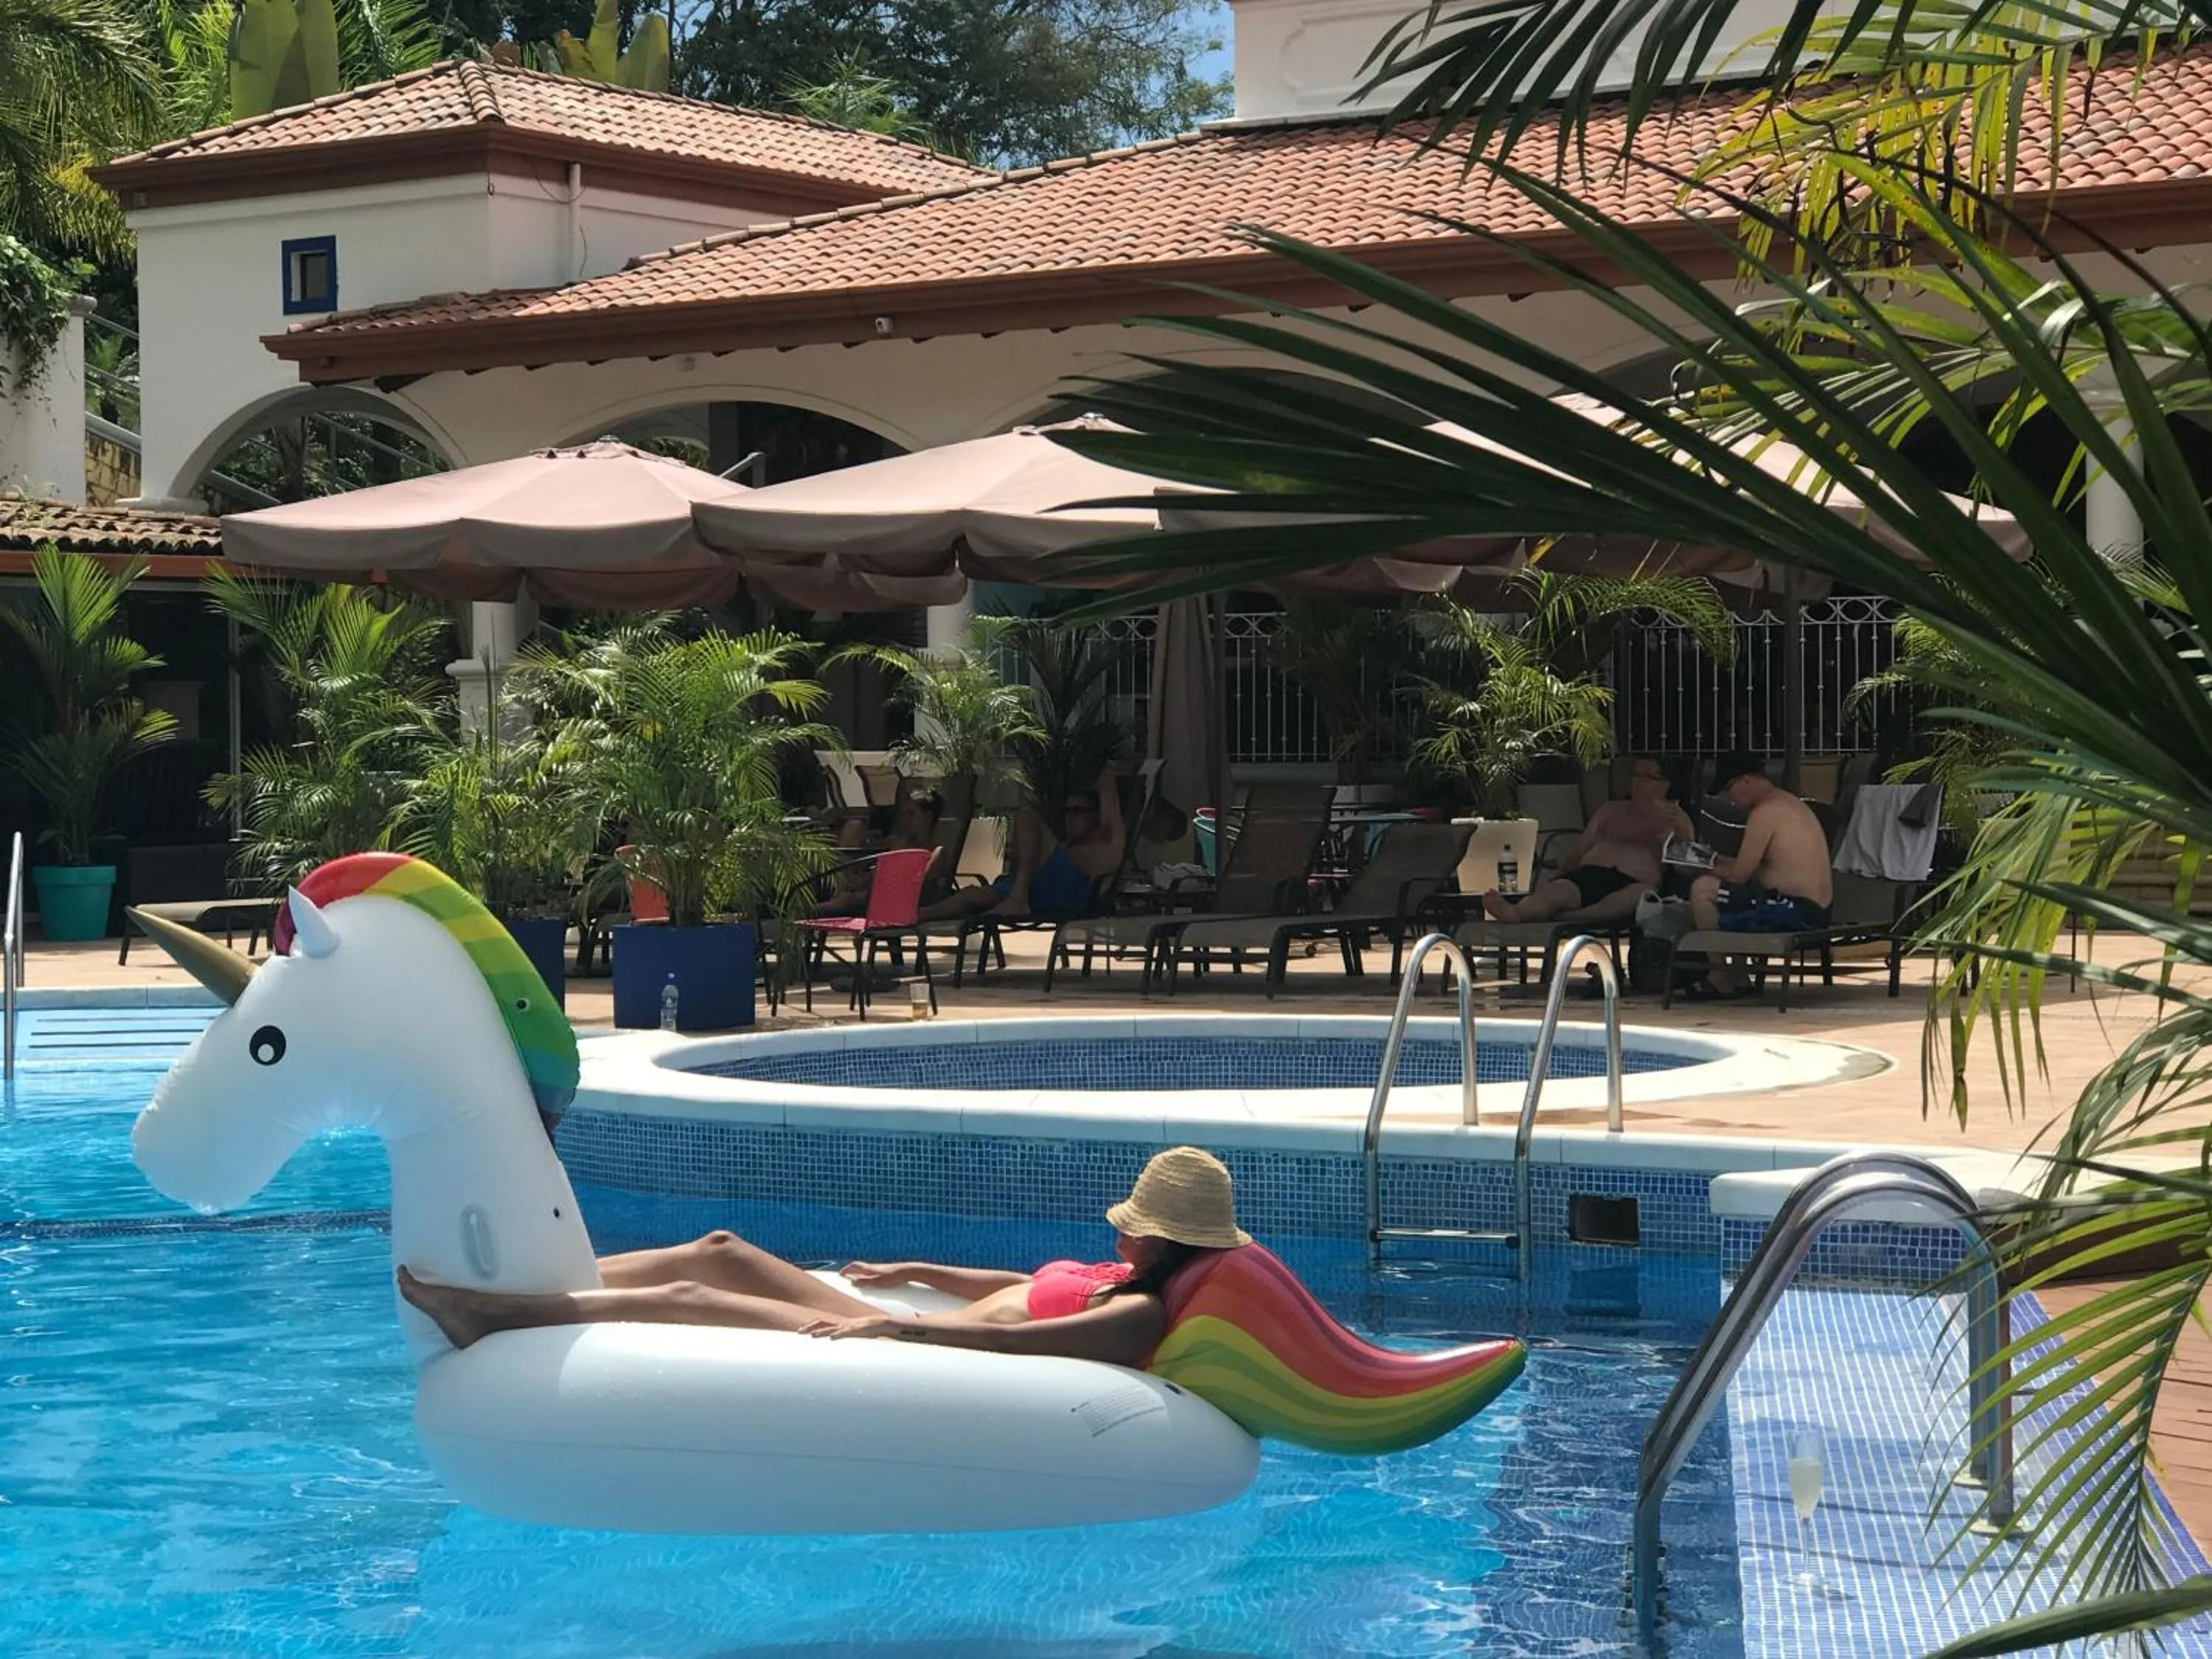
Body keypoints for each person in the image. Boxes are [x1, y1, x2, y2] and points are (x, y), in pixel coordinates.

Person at [396, 1147, 1252, 1369]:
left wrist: (894, 1331)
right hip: (909, 1320)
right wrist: (913, 1274)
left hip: (930, 1359)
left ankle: (493, 1315)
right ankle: (529, 1277)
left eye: (1134, 1225)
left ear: (1162, 1239)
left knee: (698, 1295)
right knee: (722, 1249)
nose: (1119, 1233)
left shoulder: (1137, 1312)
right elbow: (1020, 1289)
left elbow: (1013, 1345)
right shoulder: (1116, 1278)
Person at [1683, 751, 1835, 1000]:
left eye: (1729, 789)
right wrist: (1716, 860)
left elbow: (1739, 876)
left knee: (1703, 889)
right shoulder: (1788, 803)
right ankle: (1739, 976)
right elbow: (1760, 868)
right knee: (1735, 897)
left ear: (1745, 780)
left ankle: (1721, 976)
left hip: (1794, 911)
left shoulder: (1765, 813)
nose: (1730, 799)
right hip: (1811, 907)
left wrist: (1700, 865)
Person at [1481, 757, 1692, 924]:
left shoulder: (1674, 819)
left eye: (1649, 777)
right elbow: (1579, 852)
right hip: (1590, 873)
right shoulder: (1611, 809)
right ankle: (1517, 912)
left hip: (1634, 882)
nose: (1639, 783)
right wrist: (1562, 875)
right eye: (1636, 775)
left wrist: (1684, 831)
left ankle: (1570, 917)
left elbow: (1686, 870)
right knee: (1557, 892)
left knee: (1639, 896)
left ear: (1668, 785)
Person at [918, 766, 1126, 921]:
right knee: (967, 896)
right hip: (1024, 890)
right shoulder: (1064, 848)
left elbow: (1113, 830)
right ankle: (911, 916)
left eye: (1079, 811)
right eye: (1068, 812)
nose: (1070, 818)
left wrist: (1107, 784)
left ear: (1096, 816)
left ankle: (1018, 898)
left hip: (1050, 899)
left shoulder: (1100, 850)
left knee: (1027, 816)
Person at [813, 785, 943, 917]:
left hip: (900, 903)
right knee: (846, 894)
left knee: (847, 900)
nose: (906, 820)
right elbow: (880, 871)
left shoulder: (936, 851)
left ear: (928, 817)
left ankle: (805, 913)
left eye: (912, 814)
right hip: (879, 896)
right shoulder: (900, 843)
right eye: (903, 815)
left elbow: (918, 881)